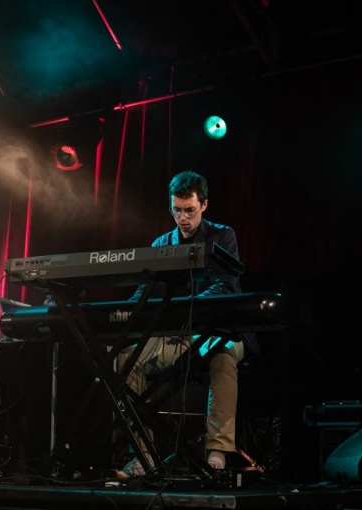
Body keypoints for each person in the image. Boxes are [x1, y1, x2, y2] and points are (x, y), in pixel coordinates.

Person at [115, 170, 257, 478]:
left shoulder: (223, 235)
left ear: (204, 205)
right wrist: (126, 311)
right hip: (178, 335)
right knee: (127, 360)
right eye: (176, 210)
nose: (182, 217)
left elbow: (226, 284)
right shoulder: (161, 243)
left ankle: (218, 448)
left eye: (189, 210)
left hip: (220, 330)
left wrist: (188, 311)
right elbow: (147, 290)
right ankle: (144, 454)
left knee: (223, 356)